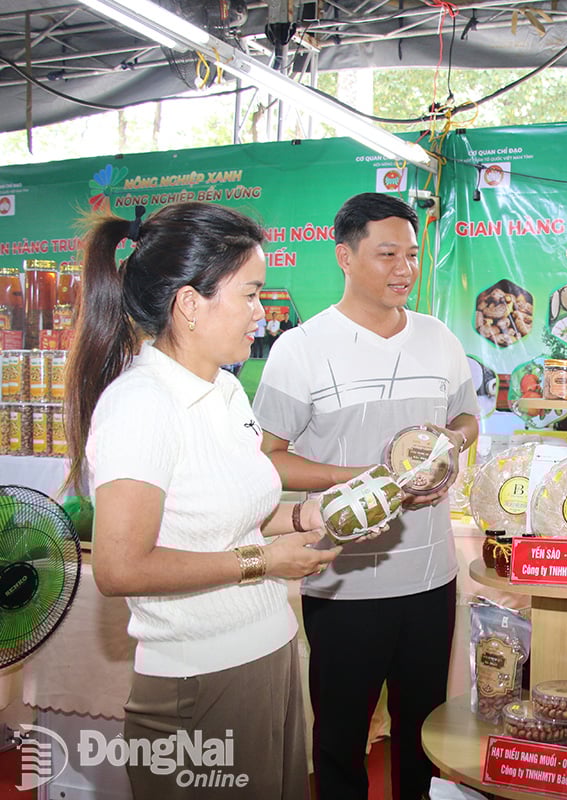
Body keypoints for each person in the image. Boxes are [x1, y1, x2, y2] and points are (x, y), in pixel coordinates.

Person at [63, 202, 342, 799]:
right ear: (190, 304)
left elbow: (231, 508)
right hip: (199, 682)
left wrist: (305, 514)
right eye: (250, 294)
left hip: (270, 650)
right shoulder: (141, 406)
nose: (261, 314)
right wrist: (264, 562)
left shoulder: (224, 390)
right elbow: (120, 568)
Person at [252, 193, 480, 800]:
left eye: (410, 254)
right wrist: (368, 476)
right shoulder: (300, 348)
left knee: (424, 734)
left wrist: (442, 447)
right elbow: (268, 460)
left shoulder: (440, 340)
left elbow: (466, 421)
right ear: (345, 257)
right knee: (340, 738)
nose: (403, 268)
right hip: (343, 580)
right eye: (386, 254)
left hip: (431, 577)